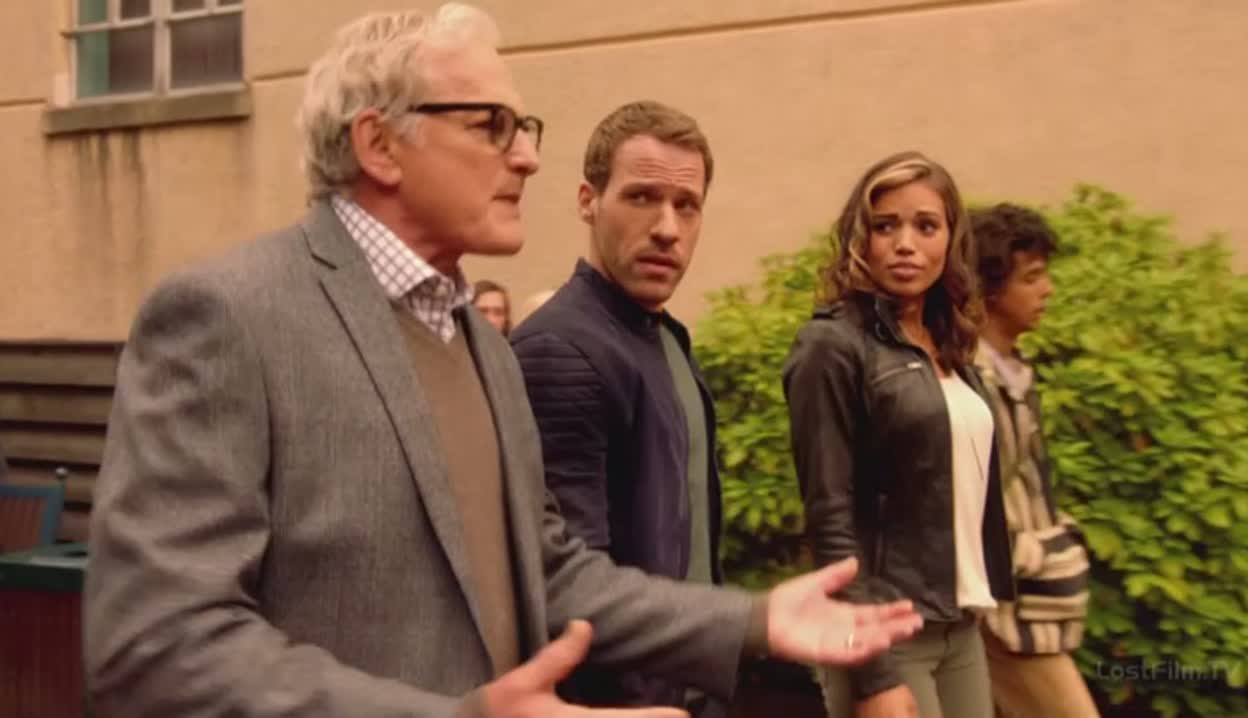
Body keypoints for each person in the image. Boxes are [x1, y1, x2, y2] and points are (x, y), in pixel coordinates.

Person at [83, 8, 923, 718]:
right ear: (380, 144)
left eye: (524, 129)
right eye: (491, 125)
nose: (525, 156)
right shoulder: (229, 316)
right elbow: (158, 643)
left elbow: (548, 571)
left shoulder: (484, 345)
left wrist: (750, 623)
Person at [783, 151, 1015, 718]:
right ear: (860, 238)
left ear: (951, 240)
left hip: (960, 626)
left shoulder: (949, 346)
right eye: (885, 226)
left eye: (926, 226)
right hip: (885, 631)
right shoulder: (832, 345)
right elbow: (829, 514)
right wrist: (873, 670)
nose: (905, 244)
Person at [511, 101, 724, 715]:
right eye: (641, 198)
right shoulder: (560, 349)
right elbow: (573, 584)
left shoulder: (664, 337)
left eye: (686, 205)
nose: (667, 228)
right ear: (588, 201)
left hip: (691, 687)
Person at [970, 203, 1098, 718]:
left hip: (1031, 605)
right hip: (1003, 610)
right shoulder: (972, 381)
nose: (1047, 290)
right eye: (1031, 278)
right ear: (988, 289)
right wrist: (1029, 556)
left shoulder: (1013, 370)